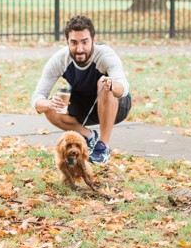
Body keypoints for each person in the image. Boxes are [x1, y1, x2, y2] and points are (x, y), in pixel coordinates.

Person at [31, 15, 131, 164]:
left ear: (93, 40)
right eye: (74, 42)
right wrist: (49, 104)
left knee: (104, 83)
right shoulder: (59, 59)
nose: (79, 49)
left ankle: (102, 147)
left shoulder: (105, 55)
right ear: (67, 42)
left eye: (85, 42)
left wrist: (111, 85)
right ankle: (89, 136)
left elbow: (123, 87)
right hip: (83, 108)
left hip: (116, 106)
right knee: (50, 106)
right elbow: (37, 98)